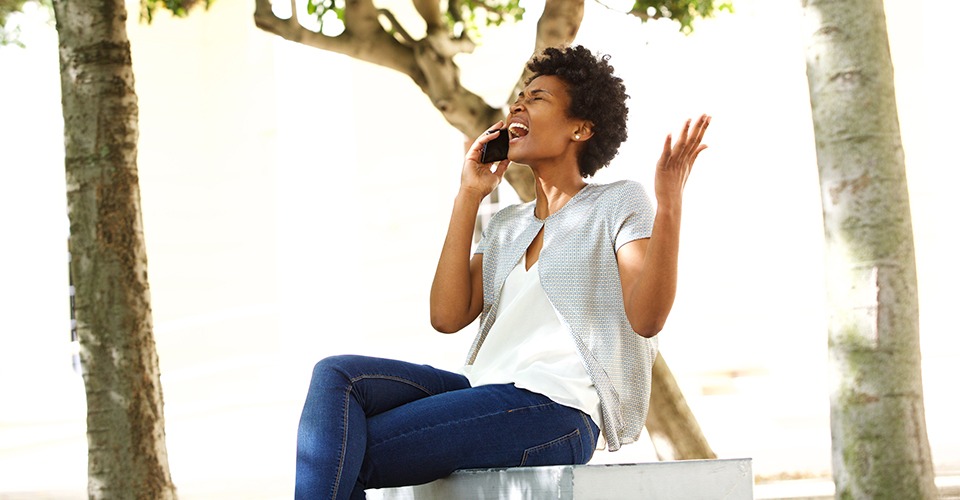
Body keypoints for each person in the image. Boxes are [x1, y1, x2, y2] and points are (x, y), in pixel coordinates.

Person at [294, 44, 710, 500]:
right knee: (337, 376)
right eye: (519, 97)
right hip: (481, 388)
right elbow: (447, 315)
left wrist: (669, 205)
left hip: (555, 407)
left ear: (581, 128)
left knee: (341, 448)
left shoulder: (616, 203)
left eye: (537, 98)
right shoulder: (508, 224)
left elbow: (647, 319)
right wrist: (468, 194)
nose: (519, 104)